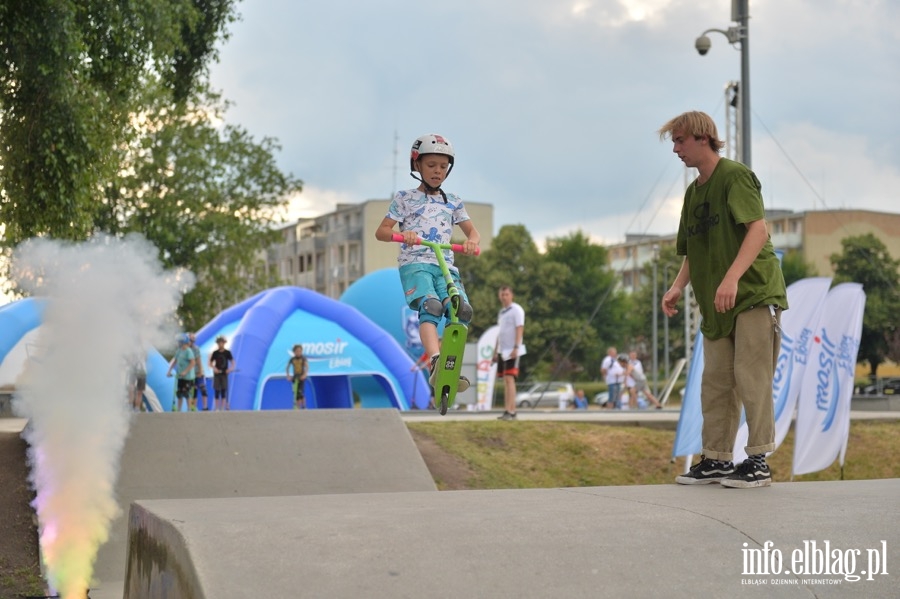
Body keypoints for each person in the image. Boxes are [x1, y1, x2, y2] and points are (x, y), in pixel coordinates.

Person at [659, 111, 788, 488]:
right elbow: (692, 251)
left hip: (752, 292)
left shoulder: (735, 176)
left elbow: (758, 231)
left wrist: (732, 277)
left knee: (752, 376)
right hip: (718, 301)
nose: (676, 150)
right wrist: (677, 286)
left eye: (680, 141)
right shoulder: (692, 192)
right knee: (715, 382)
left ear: (703, 138)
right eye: (674, 143)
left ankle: (759, 459)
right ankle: (716, 459)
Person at [375, 133, 480, 393]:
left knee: (461, 309)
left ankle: (450, 364)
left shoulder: (453, 201)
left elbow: (473, 234)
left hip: (445, 265)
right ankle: (434, 361)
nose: (437, 172)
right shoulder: (404, 198)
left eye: (443, 167)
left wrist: (471, 242)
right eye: (431, 165)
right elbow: (382, 232)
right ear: (417, 166)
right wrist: (404, 235)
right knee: (431, 306)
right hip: (416, 263)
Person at [494, 285, 525, 421]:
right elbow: (499, 332)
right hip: (502, 350)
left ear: (511, 295)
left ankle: (511, 411)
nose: (504, 297)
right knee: (505, 380)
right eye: (502, 294)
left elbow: (519, 328)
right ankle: (508, 409)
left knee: (510, 378)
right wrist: (496, 351)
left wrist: (516, 346)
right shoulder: (502, 313)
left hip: (512, 349)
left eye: (506, 294)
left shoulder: (516, 310)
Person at [167, 334, 196, 412]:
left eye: (179, 342)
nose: (178, 343)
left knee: (187, 393)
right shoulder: (179, 351)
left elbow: (193, 363)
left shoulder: (188, 351)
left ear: (183, 342)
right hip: (180, 376)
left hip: (188, 377)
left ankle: (189, 408)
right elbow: (175, 361)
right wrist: (169, 371)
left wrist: (185, 372)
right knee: (179, 393)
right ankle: (179, 409)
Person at [209, 336, 236, 411]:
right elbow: (210, 363)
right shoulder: (215, 353)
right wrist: (214, 368)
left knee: (224, 390)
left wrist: (230, 369)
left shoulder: (227, 353)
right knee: (217, 390)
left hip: (224, 374)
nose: (220, 344)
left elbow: (233, 362)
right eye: (219, 343)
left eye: (222, 342)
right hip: (217, 374)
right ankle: (217, 407)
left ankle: (222, 407)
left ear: (224, 343)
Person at [188, 333, 209, 411]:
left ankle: (205, 406)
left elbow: (199, 361)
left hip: (198, 372)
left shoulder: (196, 349)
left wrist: (200, 371)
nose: (190, 342)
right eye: (189, 341)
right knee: (194, 391)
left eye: (191, 341)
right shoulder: (186, 349)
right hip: (191, 374)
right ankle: (193, 407)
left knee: (203, 388)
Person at [286, 344, 309, 409]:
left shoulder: (303, 359)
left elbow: (306, 367)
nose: (298, 352)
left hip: (301, 378)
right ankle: (298, 407)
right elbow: (287, 367)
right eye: (297, 351)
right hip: (295, 377)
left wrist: (305, 375)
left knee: (301, 392)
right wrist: (288, 376)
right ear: (294, 352)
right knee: (296, 394)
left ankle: (304, 406)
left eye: (300, 351)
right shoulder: (292, 359)